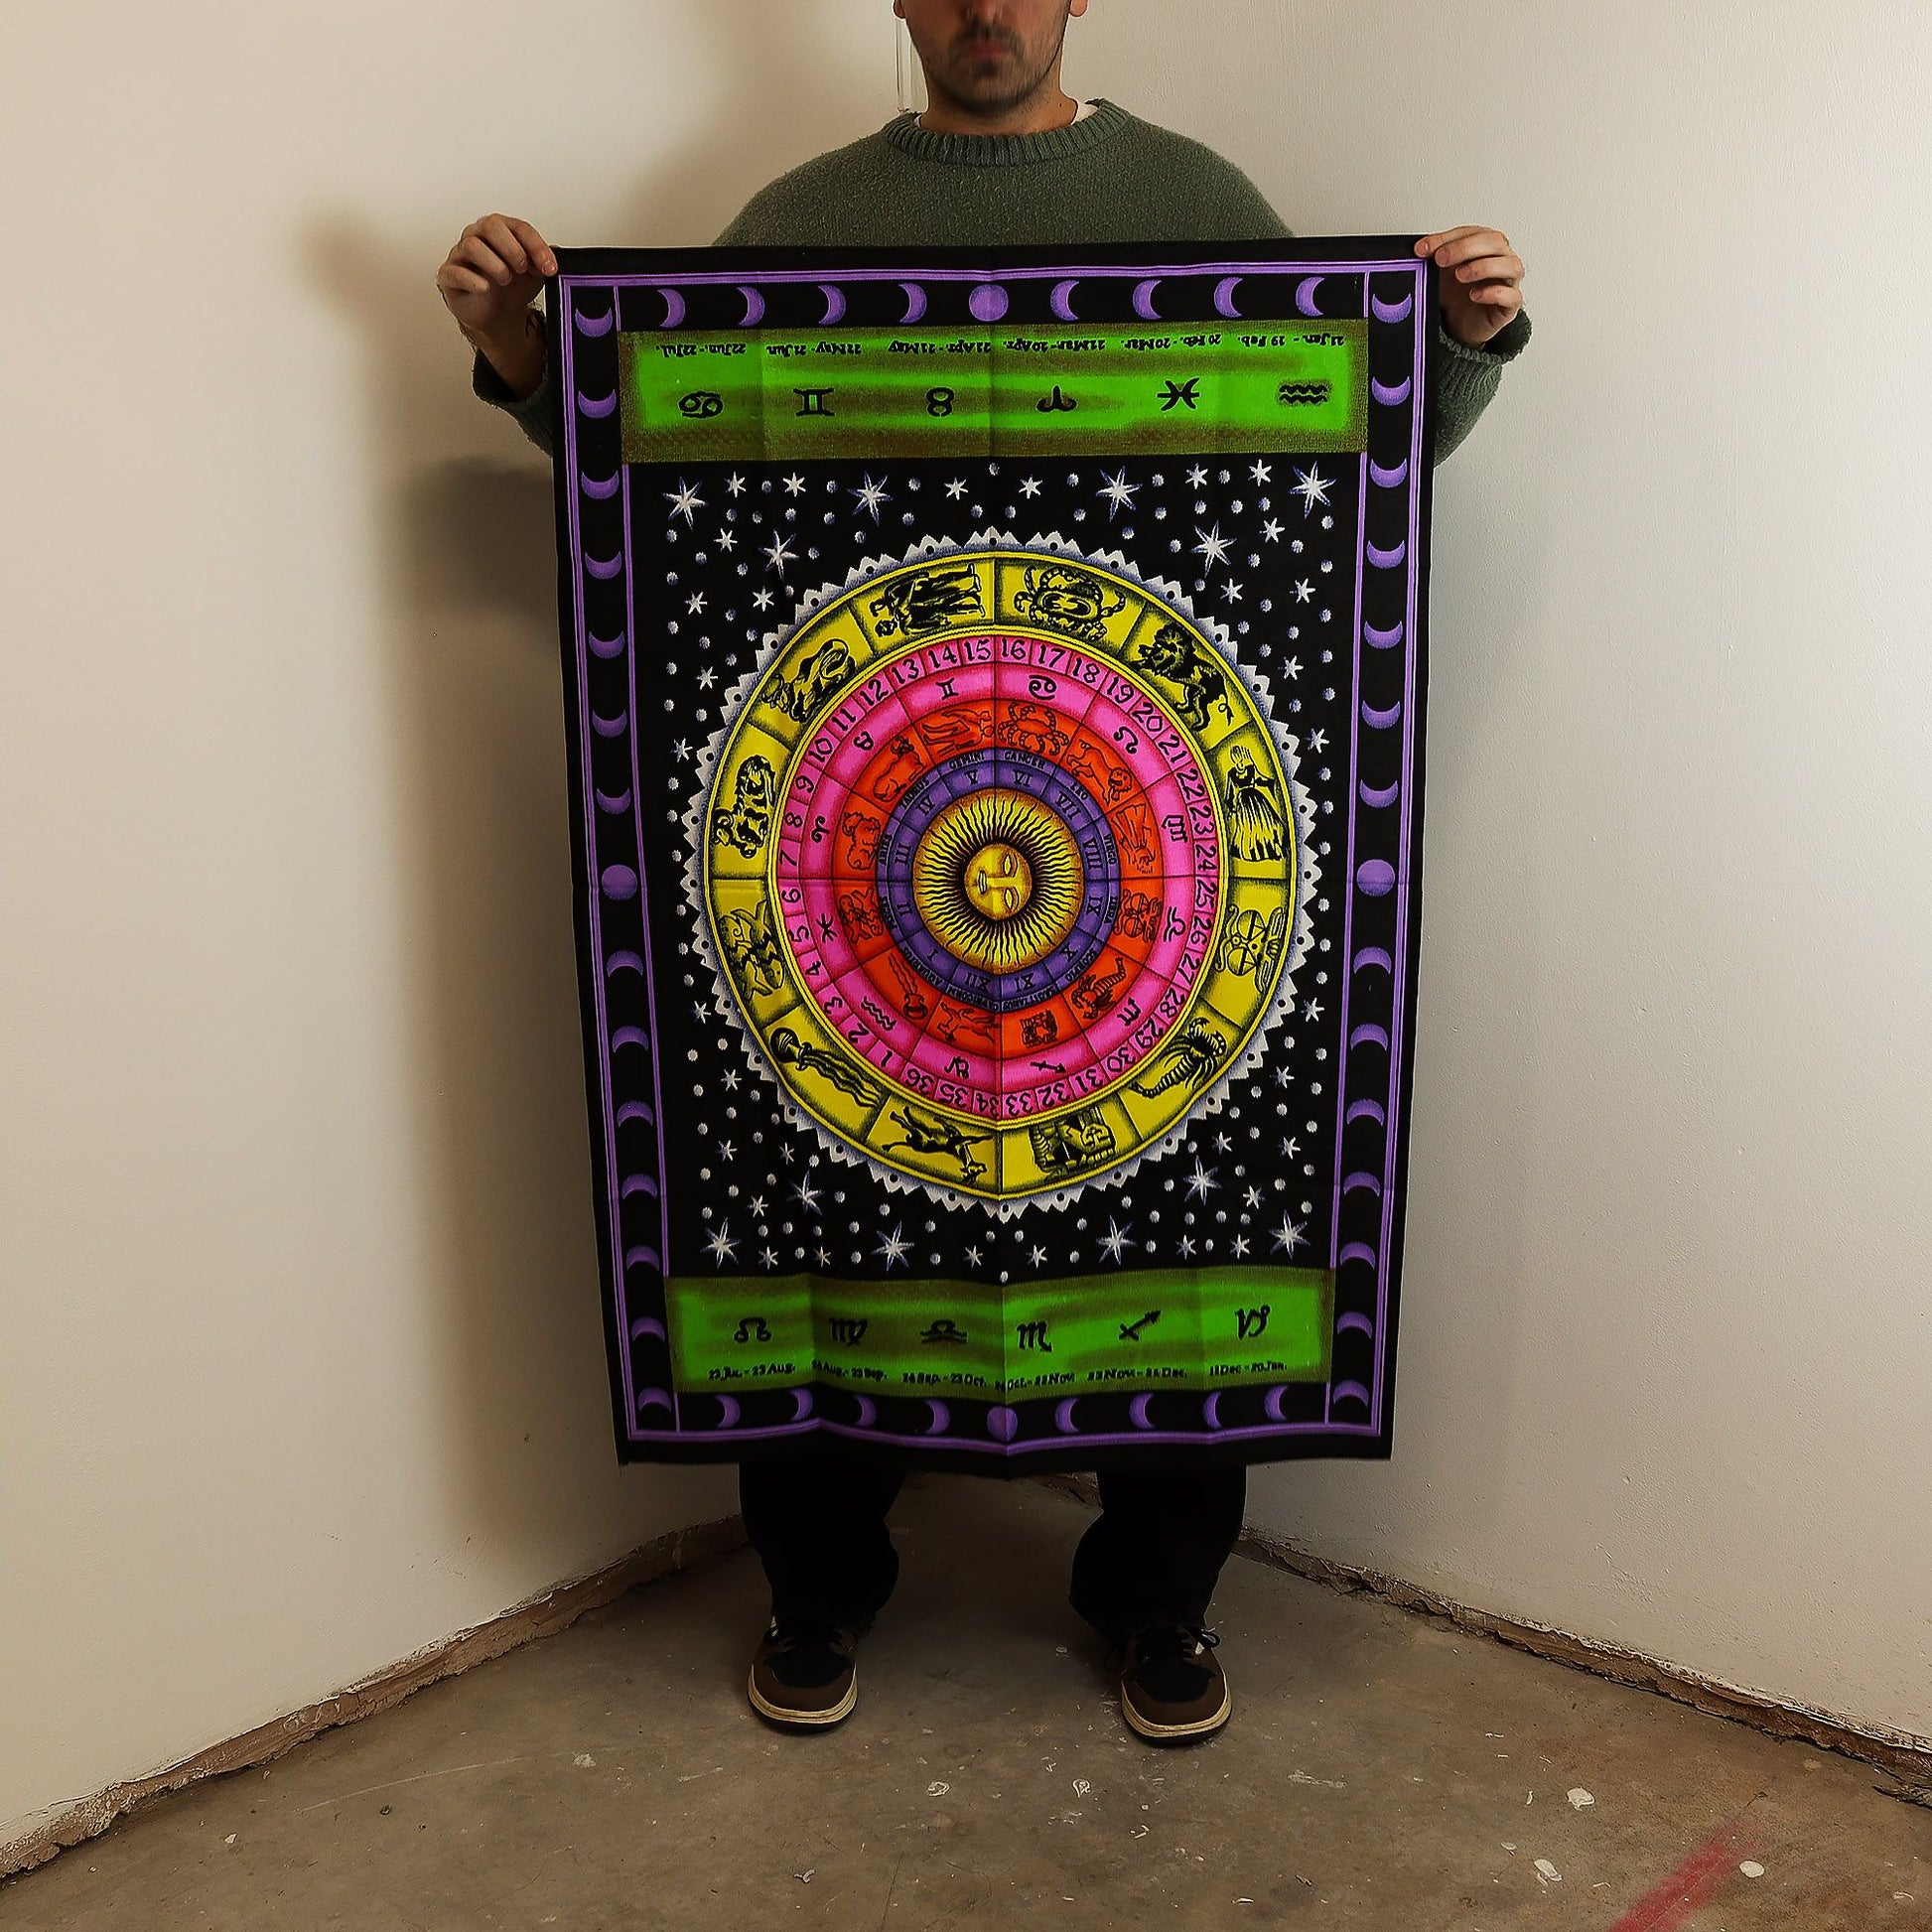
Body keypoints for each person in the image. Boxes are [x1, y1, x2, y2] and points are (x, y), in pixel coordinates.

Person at [438, 0, 1529, 1744]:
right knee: (816, 1183)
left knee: (1177, 1207)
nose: (984, 8)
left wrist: (1456, 346)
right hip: (861, 869)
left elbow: (1346, 451)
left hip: (1138, 860)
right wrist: (519, 354)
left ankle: (1159, 1600)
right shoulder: (796, 225)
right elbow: (655, 466)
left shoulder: (1196, 200)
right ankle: (817, 1586)